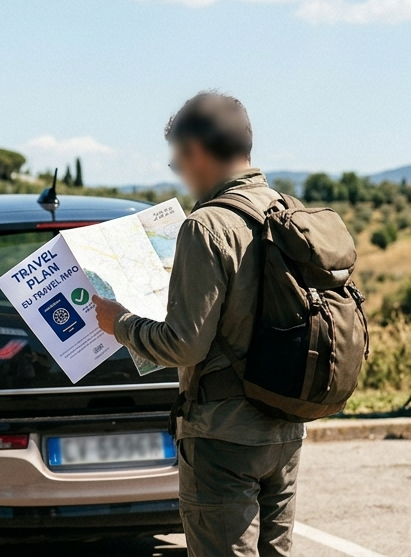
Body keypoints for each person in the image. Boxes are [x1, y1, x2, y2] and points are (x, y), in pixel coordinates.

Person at [93, 91, 305, 557]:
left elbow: (184, 345)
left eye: (178, 161)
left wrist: (119, 322)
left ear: (197, 152)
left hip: (223, 434)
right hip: (286, 428)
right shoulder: (288, 210)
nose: (181, 173)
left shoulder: (205, 225)